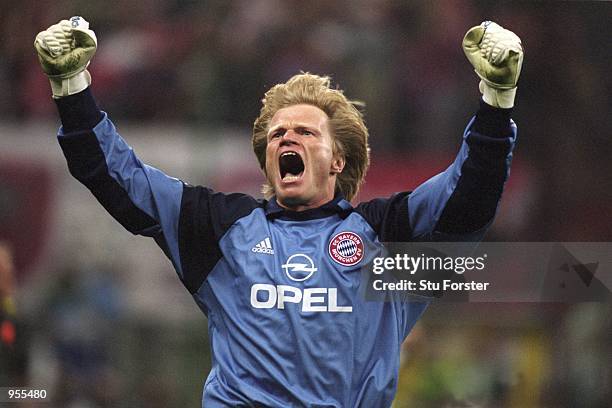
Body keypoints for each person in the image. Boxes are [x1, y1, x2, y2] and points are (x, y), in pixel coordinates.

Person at [34, 16, 523, 407]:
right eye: (277, 135)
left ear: (339, 160)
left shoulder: (386, 237)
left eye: (306, 132)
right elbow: (119, 178)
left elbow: (468, 197)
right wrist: (72, 89)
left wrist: (496, 102)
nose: (287, 137)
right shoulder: (220, 228)